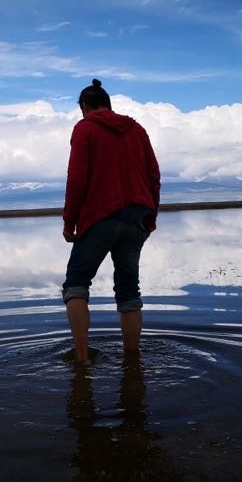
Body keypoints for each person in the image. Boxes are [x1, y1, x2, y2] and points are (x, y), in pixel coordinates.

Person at [62, 79, 161, 364]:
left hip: (100, 218)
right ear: (108, 104)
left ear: (84, 107)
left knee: (77, 285)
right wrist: (151, 215)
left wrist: (70, 224)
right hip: (136, 218)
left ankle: (81, 357)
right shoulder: (137, 129)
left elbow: (77, 179)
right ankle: (132, 358)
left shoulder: (85, 128)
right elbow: (153, 175)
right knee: (129, 290)